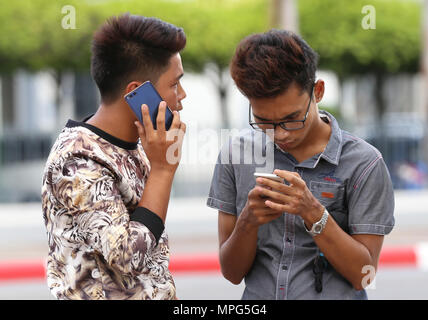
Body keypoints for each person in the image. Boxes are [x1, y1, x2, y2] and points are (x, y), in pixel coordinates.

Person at [207, 30, 395, 299]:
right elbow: (232, 273)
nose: (280, 133)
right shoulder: (236, 155)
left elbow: (362, 274)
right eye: (264, 122)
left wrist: (314, 213)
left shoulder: (364, 163)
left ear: (317, 92)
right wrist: (248, 222)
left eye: (292, 118)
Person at [41, 13, 187, 300]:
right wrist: (163, 171)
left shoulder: (135, 147)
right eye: (174, 84)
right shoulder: (78, 159)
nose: (182, 95)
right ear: (137, 92)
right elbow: (128, 258)